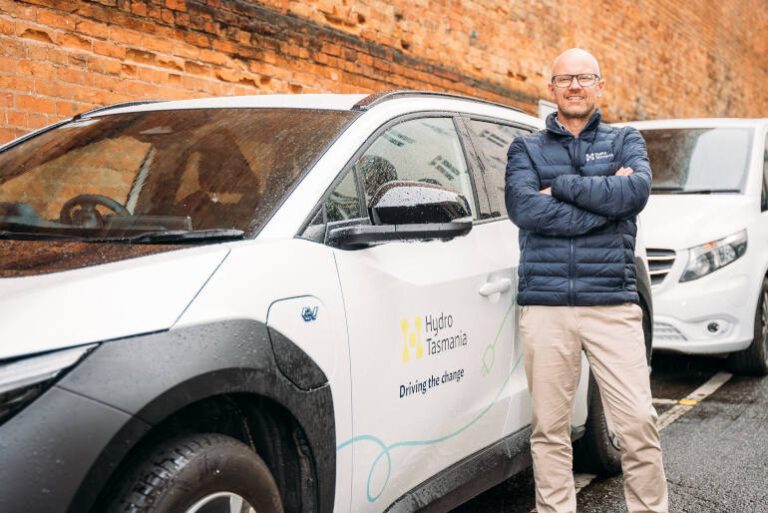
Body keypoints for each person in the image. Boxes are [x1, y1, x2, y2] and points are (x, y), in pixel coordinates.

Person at [505, 48, 668, 513]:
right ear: (551, 87)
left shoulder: (625, 140)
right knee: (550, 429)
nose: (574, 85)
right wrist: (605, 208)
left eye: (584, 77)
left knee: (637, 423)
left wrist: (560, 187)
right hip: (546, 306)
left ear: (600, 85)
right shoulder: (526, 148)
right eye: (565, 78)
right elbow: (524, 209)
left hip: (612, 304)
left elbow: (634, 191)